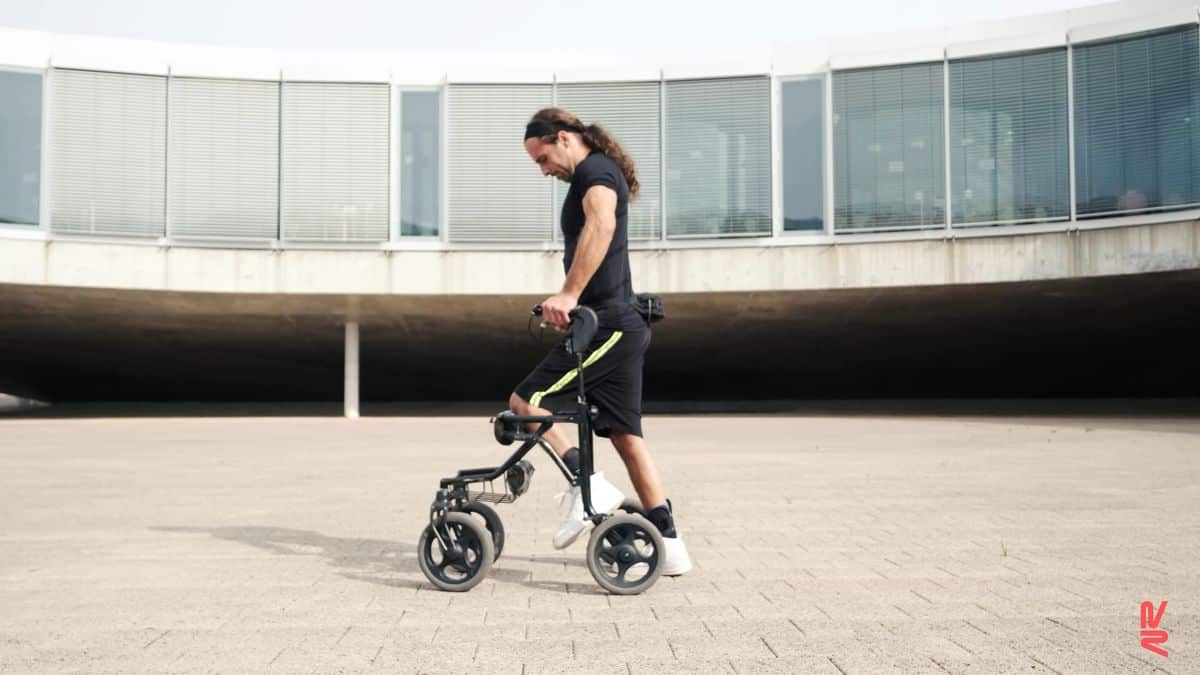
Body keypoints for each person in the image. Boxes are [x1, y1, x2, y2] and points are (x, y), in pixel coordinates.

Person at [509, 107, 691, 576]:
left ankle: (586, 483)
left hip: (610, 325)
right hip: (617, 323)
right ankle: (669, 547)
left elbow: (602, 225)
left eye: (543, 158)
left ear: (564, 139)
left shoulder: (595, 173)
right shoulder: (593, 174)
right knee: (628, 438)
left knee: (527, 402)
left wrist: (569, 295)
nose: (544, 170)